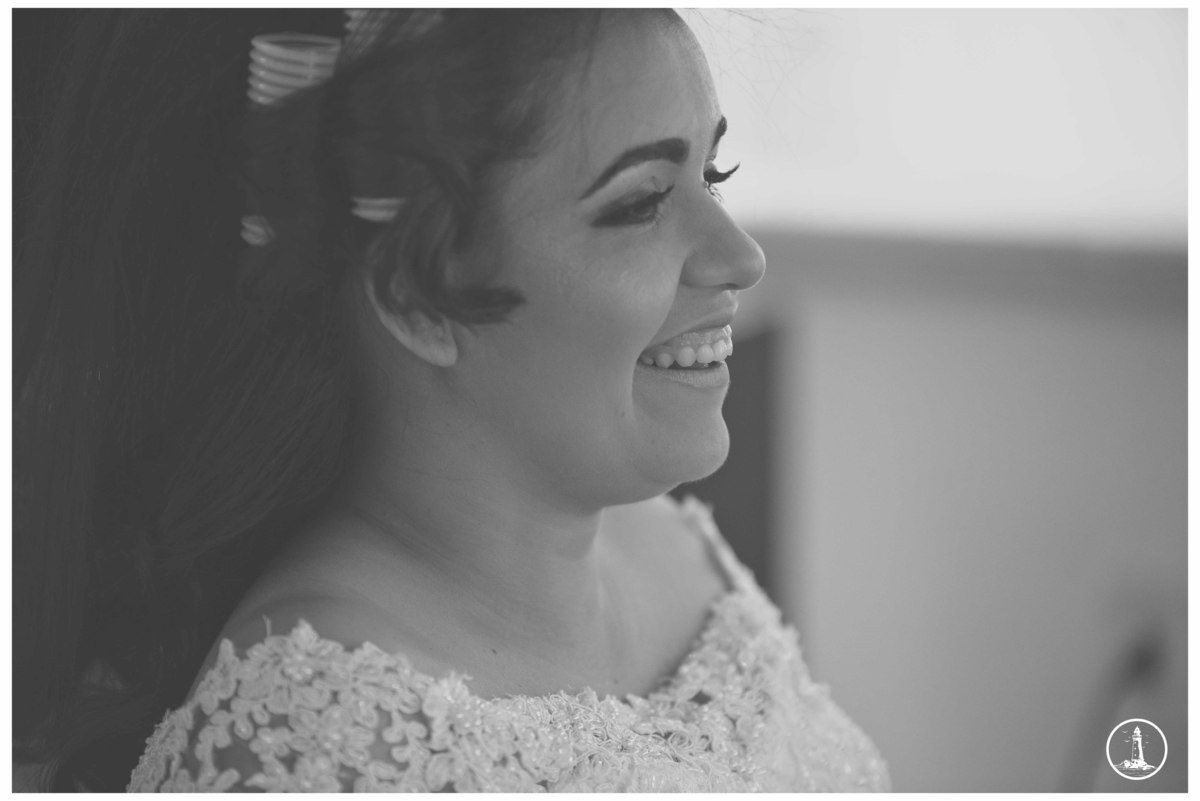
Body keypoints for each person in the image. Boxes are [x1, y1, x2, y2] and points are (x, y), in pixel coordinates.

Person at [13, 9, 891, 792]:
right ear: (413, 293)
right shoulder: (314, 750)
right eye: (642, 202)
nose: (741, 257)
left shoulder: (677, 546)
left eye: (714, 173)